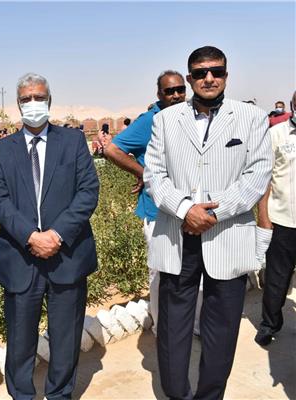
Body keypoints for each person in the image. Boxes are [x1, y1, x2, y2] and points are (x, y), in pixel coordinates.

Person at [144, 46, 272, 399]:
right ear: (190, 79)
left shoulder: (251, 118)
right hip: (177, 235)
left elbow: (257, 175)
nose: (209, 78)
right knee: (173, 327)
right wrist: (186, 210)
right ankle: (177, 394)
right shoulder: (166, 120)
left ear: (226, 75)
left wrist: (214, 214)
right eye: (200, 73)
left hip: (226, 234)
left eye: (216, 71)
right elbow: (154, 175)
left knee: (221, 330)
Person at [0, 73, 99, 399]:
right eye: (26, 99)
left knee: (65, 338)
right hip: (21, 258)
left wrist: (57, 234)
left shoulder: (73, 142)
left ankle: (59, 394)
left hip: (67, 256)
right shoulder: (2, 150)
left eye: (39, 97)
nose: (33, 103)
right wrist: (31, 236)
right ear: (18, 104)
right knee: (20, 339)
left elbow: (88, 191)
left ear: (49, 101)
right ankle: (22, 395)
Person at [104, 71, 203, 336]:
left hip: (189, 209)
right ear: (159, 94)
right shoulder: (151, 120)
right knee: (161, 273)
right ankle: (163, 327)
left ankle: (193, 324)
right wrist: (144, 173)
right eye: (169, 91)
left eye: (180, 90)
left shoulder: (191, 115)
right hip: (158, 211)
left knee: (192, 271)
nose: (176, 95)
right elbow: (112, 149)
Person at [255, 90, 296, 346]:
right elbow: (264, 178)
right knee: (276, 278)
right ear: (293, 105)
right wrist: (263, 215)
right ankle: (269, 324)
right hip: (283, 220)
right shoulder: (276, 134)